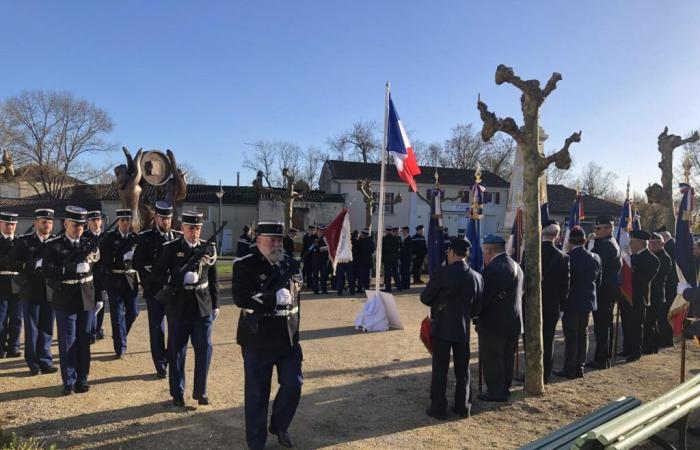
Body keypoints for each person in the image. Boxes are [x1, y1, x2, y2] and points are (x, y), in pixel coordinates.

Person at [232, 221, 303, 450]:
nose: (276, 244)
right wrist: (272, 300)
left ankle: (280, 425)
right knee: (257, 394)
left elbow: (296, 300)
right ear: (258, 239)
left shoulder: (291, 263)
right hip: (258, 338)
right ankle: (256, 442)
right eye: (271, 239)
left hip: (287, 337)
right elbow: (240, 298)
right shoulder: (245, 264)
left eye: (279, 239)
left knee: (294, 384)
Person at [151, 211, 219, 407]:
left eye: (198, 228)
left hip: (202, 305)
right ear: (182, 229)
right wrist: (180, 278)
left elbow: (213, 279)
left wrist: (216, 304)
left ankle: (201, 390)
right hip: (179, 306)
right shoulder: (171, 249)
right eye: (191, 228)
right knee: (177, 351)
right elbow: (158, 275)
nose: (195, 232)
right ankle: (177, 392)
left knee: (205, 349)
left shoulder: (209, 248)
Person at [421, 237, 483, 419]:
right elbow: (478, 308)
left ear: (452, 253)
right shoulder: (476, 276)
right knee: (463, 370)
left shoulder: (442, 273)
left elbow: (425, 298)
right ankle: (463, 406)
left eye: (448, 252)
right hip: (463, 329)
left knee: (440, 370)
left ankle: (438, 408)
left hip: (441, 328)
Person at [42, 206, 101, 394]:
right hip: (66, 297)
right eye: (75, 225)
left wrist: (98, 296)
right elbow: (47, 271)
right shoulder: (54, 245)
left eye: (82, 225)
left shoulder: (88, 243)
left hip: (86, 296)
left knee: (84, 340)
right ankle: (69, 380)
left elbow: (96, 270)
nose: (79, 229)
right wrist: (69, 269)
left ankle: (82, 379)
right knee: (68, 341)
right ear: (66, 223)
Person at [133, 201, 182, 378]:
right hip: (155, 290)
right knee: (156, 328)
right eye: (163, 218)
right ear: (156, 218)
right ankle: (160, 363)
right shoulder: (146, 237)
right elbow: (138, 263)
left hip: (174, 291)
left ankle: (169, 356)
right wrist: (149, 280)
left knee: (175, 327)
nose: (166, 222)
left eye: (168, 218)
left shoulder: (177, 237)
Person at [8, 209, 58, 374]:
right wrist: (31, 265)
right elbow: (11, 262)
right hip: (30, 290)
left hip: (50, 291)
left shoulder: (56, 242)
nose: (47, 225)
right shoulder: (24, 242)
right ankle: (33, 363)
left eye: (50, 222)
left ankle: (45, 360)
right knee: (32, 328)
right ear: (36, 223)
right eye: (44, 222)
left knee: (47, 328)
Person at [475, 234, 523, 402]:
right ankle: (504, 387)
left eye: (484, 251)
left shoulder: (493, 269)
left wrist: (475, 313)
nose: (483, 254)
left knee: (492, 358)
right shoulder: (515, 265)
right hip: (513, 321)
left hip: (494, 323)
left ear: (489, 250)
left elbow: (485, 297)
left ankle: (496, 391)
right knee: (507, 358)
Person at [555, 226, 601, 379]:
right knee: (583, 334)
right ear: (584, 240)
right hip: (587, 300)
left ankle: (569, 368)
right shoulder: (595, 257)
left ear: (569, 241)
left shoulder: (567, 258)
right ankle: (580, 366)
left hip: (571, 301)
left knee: (572, 336)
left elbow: (563, 282)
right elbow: (598, 281)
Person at [98, 209, 139, 358]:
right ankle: (120, 347)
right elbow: (103, 261)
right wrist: (120, 259)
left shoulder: (135, 238)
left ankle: (119, 336)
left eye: (128, 220)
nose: (126, 223)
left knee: (133, 312)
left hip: (130, 279)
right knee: (117, 315)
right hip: (114, 279)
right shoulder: (109, 238)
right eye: (123, 220)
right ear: (118, 222)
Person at [587, 216, 622, 369]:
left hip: (604, 290)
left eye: (598, 228)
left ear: (608, 229)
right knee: (604, 325)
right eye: (595, 228)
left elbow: (592, 263)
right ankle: (603, 357)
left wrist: (587, 244)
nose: (595, 232)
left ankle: (601, 359)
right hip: (606, 290)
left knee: (602, 326)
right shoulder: (605, 243)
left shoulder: (606, 245)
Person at [621, 230, 659, 362]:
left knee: (636, 325)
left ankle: (636, 352)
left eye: (632, 241)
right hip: (627, 295)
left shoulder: (652, 259)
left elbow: (644, 279)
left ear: (640, 243)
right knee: (626, 323)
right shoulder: (632, 257)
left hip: (638, 297)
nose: (630, 243)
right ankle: (627, 348)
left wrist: (630, 274)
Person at [540, 220, 569, 383]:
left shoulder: (531, 252)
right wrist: (562, 306)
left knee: (532, 339)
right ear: (557, 235)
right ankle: (545, 373)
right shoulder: (563, 257)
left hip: (532, 304)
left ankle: (532, 372)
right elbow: (566, 285)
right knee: (548, 339)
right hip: (553, 305)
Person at [643, 232, 671, 354]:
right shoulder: (650, 256)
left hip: (657, 293)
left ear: (662, 243)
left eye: (656, 242)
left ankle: (652, 346)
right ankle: (649, 345)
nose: (653, 244)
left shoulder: (665, 258)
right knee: (648, 321)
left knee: (652, 321)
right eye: (651, 242)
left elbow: (659, 277)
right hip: (648, 293)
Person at [0, 211, 22, 359]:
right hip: (1, 283)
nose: (10, 227)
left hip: (17, 284)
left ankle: (14, 346)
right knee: (0, 319)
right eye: (7, 224)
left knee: (17, 318)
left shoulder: (21, 242)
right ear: (0, 224)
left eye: (13, 224)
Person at [84, 211, 108, 343]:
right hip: (89, 274)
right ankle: (91, 331)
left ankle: (98, 328)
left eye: (98, 220)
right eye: (93, 220)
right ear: (88, 222)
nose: (96, 223)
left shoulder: (106, 236)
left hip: (103, 276)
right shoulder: (84, 236)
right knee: (90, 304)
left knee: (101, 303)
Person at [658, 226, 677, 347]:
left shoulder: (670, 247)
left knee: (666, 313)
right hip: (672, 285)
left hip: (670, 285)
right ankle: (666, 337)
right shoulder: (673, 245)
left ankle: (667, 338)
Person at [310, 225, 329, 294]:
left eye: (322, 231)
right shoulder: (312, 237)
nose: (321, 232)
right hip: (316, 259)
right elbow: (311, 247)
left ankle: (324, 289)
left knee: (324, 275)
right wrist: (319, 248)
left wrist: (325, 248)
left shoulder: (326, 237)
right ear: (317, 230)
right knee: (315, 275)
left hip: (324, 259)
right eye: (320, 231)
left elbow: (329, 245)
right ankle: (316, 289)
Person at [382, 227, 401, 292]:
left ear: (387, 231)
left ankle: (388, 288)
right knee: (396, 273)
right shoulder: (396, 238)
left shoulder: (384, 239)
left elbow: (383, 249)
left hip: (387, 259)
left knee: (388, 274)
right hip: (394, 258)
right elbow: (398, 248)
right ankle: (399, 287)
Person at [356, 228, 374, 294]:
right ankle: (367, 289)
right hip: (368, 262)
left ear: (363, 234)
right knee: (366, 276)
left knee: (360, 276)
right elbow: (372, 250)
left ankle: (359, 289)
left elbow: (357, 250)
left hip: (361, 262)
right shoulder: (371, 241)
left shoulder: (360, 241)